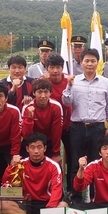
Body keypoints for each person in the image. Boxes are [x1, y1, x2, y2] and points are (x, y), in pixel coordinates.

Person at [62, 48, 108, 203]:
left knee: (95, 163)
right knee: (74, 163)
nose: (90, 64)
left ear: (97, 62)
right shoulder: (74, 80)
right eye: (87, 61)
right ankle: (75, 196)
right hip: (77, 127)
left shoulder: (105, 83)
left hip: (98, 128)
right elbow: (66, 102)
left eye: (93, 61)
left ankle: (94, 196)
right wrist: (69, 86)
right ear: (81, 62)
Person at [1, 133, 68, 214]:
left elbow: (56, 192)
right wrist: (11, 167)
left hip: (46, 204)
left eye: (39, 147)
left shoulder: (54, 166)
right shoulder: (20, 164)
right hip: (27, 203)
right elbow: (6, 184)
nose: (36, 151)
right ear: (27, 149)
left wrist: (49, 210)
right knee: (3, 204)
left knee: (63, 206)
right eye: (32, 147)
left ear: (45, 148)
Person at [46, 53, 73, 185]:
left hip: (68, 127)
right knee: (51, 158)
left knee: (72, 158)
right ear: (47, 69)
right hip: (49, 129)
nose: (55, 71)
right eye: (52, 67)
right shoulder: (42, 82)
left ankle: (72, 188)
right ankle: (53, 186)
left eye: (58, 67)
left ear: (62, 68)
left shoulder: (70, 80)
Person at [21, 78, 63, 163]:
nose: (43, 96)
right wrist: (29, 119)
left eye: (46, 92)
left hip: (49, 141)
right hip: (31, 141)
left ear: (50, 93)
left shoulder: (56, 107)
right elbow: (25, 135)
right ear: (34, 93)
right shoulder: (27, 107)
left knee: (55, 166)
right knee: (23, 168)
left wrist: (55, 154)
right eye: (39, 92)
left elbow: (56, 132)